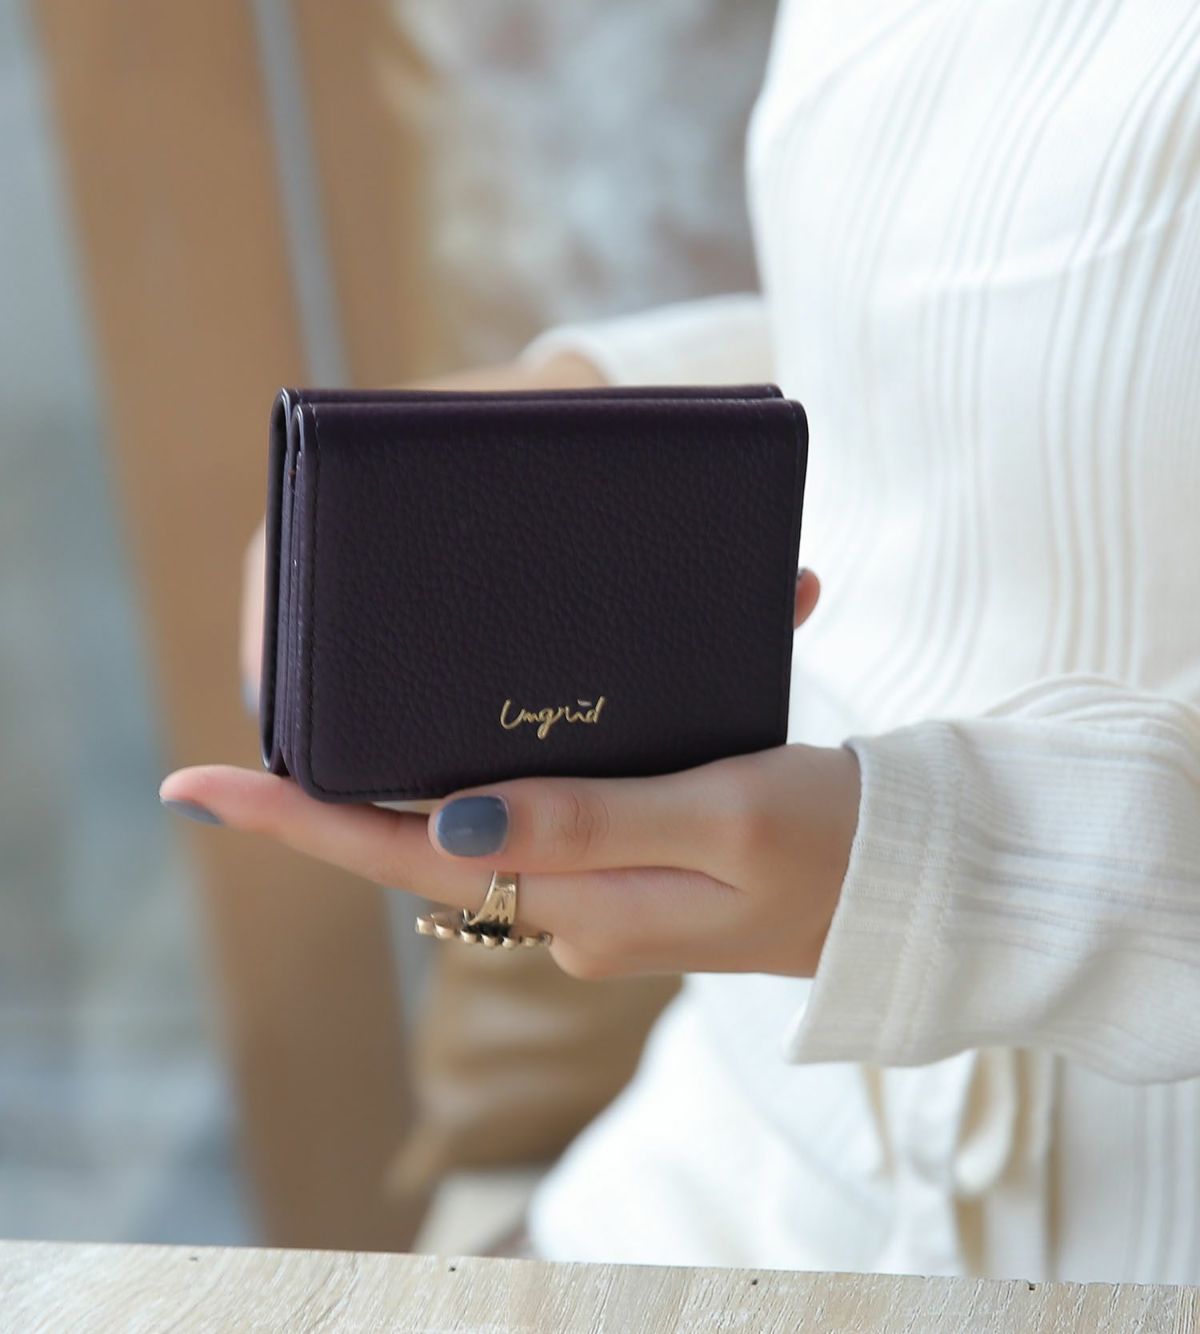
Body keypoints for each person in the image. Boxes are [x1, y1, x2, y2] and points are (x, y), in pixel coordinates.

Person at [161, 0, 1200, 1283]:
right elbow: (971, 297)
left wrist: (957, 876)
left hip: (1137, 1241)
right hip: (736, 1153)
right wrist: (598, 409)